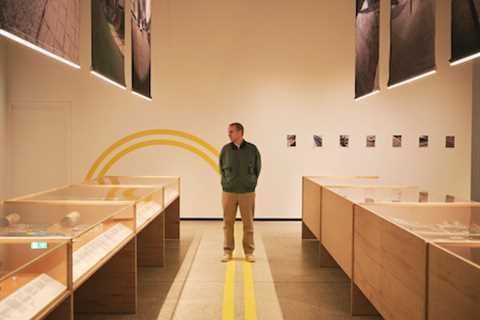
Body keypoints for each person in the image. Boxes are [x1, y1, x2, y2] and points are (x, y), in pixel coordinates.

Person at [219, 123, 261, 263]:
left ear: (240, 132)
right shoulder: (225, 150)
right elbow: (222, 169)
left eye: (231, 131)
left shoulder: (252, 149)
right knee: (227, 223)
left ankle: (249, 252)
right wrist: (226, 184)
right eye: (228, 132)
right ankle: (227, 251)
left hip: (247, 192)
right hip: (229, 192)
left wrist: (251, 183)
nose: (229, 134)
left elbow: (257, 168)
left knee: (248, 223)